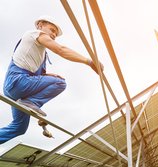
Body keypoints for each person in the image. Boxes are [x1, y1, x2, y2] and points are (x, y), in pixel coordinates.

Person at [0, 15, 104, 144]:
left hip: (16, 90)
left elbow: (33, 73)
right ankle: (30, 103)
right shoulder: (35, 33)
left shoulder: (40, 53)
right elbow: (61, 50)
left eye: (56, 33)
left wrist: (48, 75)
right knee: (60, 83)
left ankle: (30, 104)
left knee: (19, 128)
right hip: (17, 81)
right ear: (40, 25)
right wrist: (89, 61)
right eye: (52, 30)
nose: (54, 34)